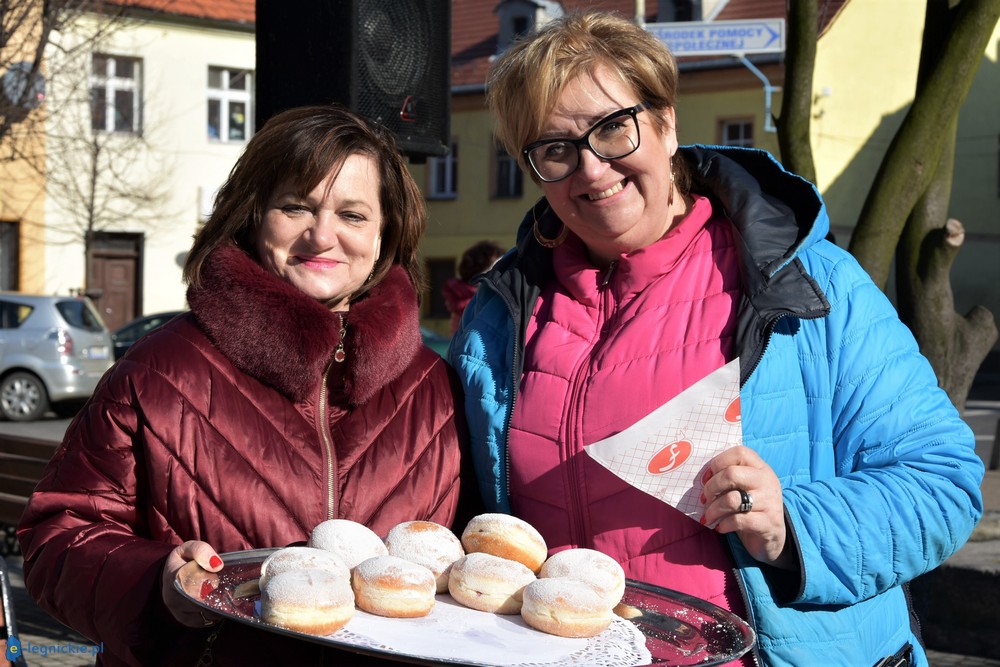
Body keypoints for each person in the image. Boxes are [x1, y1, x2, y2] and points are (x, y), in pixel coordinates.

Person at [448, 11, 985, 667]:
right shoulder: (497, 318)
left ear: (666, 122)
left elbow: (945, 482)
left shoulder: (806, 284)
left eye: (613, 128)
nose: (591, 169)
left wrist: (794, 526)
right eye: (555, 149)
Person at [18, 104, 476, 666]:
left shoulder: (434, 388)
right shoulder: (161, 371)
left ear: (386, 233)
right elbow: (58, 537)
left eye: (353, 214)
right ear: (255, 216)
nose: (322, 234)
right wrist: (155, 584)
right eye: (296, 206)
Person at [441, 240, 505, 333]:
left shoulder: (462, 298)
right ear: (479, 273)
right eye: (496, 268)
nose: (502, 274)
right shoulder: (477, 304)